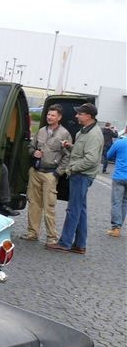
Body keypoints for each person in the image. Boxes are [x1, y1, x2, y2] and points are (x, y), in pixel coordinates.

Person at [47, 103, 103, 254]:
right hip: (80, 175)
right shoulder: (84, 132)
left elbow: (91, 159)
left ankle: (65, 242)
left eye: (80, 114)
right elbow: (82, 152)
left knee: (73, 209)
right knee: (80, 210)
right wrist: (70, 146)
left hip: (81, 175)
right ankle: (80, 244)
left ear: (88, 116)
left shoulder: (93, 135)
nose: (76, 116)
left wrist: (71, 168)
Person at [22, 105, 70, 243]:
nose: (49, 117)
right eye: (48, 114)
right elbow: (30, 147)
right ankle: (32, 233)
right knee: (33, 204)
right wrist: (34, 152)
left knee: (49, 206)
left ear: (59, 117)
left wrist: (57, 173)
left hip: (50, 174)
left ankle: (52, 238)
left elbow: (67, 156)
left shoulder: (64, 134)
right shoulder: (41, 131)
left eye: (53, 115)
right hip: (35, 171)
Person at [105, 134, 126, 237]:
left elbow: (108, 155)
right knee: (125, 202)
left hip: (119, 176)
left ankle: (116, 227)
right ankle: (119, 226)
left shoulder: (119, 143)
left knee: (116, 202)